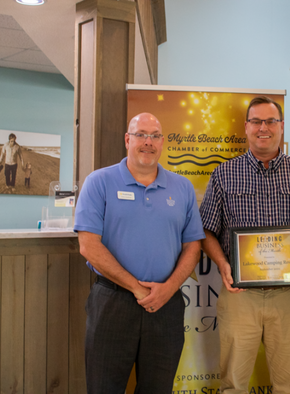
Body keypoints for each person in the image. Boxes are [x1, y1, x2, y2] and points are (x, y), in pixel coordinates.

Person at [200, 96, 290, 394]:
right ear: (246, 127)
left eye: (271, 121)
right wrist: (223, 265)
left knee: (287, 383)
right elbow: (206, 230)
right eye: (257, 121)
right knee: (233, 381)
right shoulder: (224, 174)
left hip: (287, 295)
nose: (264, 127)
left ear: (282, 127)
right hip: (239, 295)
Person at [74, 113, 205, 394]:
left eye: (155, 136)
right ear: (127, 139)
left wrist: (168, 289)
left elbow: (193, 246)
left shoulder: (181, 187)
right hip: (113, 302)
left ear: (162, 142)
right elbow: (88, 245)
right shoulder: (99, 182)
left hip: (166, 304)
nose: (148, 142)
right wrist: (137, 288)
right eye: (141, 134)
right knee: (104, 388)